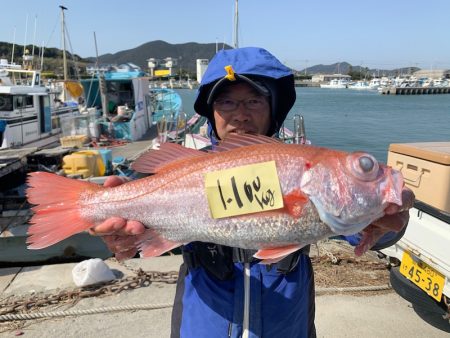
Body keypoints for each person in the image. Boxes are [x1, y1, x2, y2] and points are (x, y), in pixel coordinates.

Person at [91, 47, 414, 338]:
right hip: (202, 326)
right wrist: (119, 237)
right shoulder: (190, 168)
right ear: (211, 111)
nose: (240, 114)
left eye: (254, 100)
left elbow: (364, 231)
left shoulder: (297, 168)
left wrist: (385, 221)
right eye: (227, 101)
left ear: (273, 109)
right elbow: (135, 240)